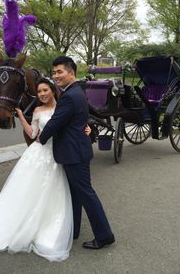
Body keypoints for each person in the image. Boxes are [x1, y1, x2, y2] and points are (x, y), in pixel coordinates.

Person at [0, 78, 89, 262]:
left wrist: (85, 129)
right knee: (30, 192)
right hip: (38, 154)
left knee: (56, 193)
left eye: (45, 90)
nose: (42, 94)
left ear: (53, 91)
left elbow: (73, 122)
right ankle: (27, 225)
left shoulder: (63, 107)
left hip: (58, 155)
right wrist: (22, 116)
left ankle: (52, 226)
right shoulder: (38, 110)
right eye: (39, 92)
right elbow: (32, 133)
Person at [38, 56, 115, 249]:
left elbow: (56, 122)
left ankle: (104, 235)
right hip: (75, 150)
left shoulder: (70, 96)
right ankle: (74, 229)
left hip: (74, 153)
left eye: (60, 72)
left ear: (71, 73)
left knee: (86, 194)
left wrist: (41, 138)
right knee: (75, 194)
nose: (56, 76)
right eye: (54, 72)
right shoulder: (75, 91)